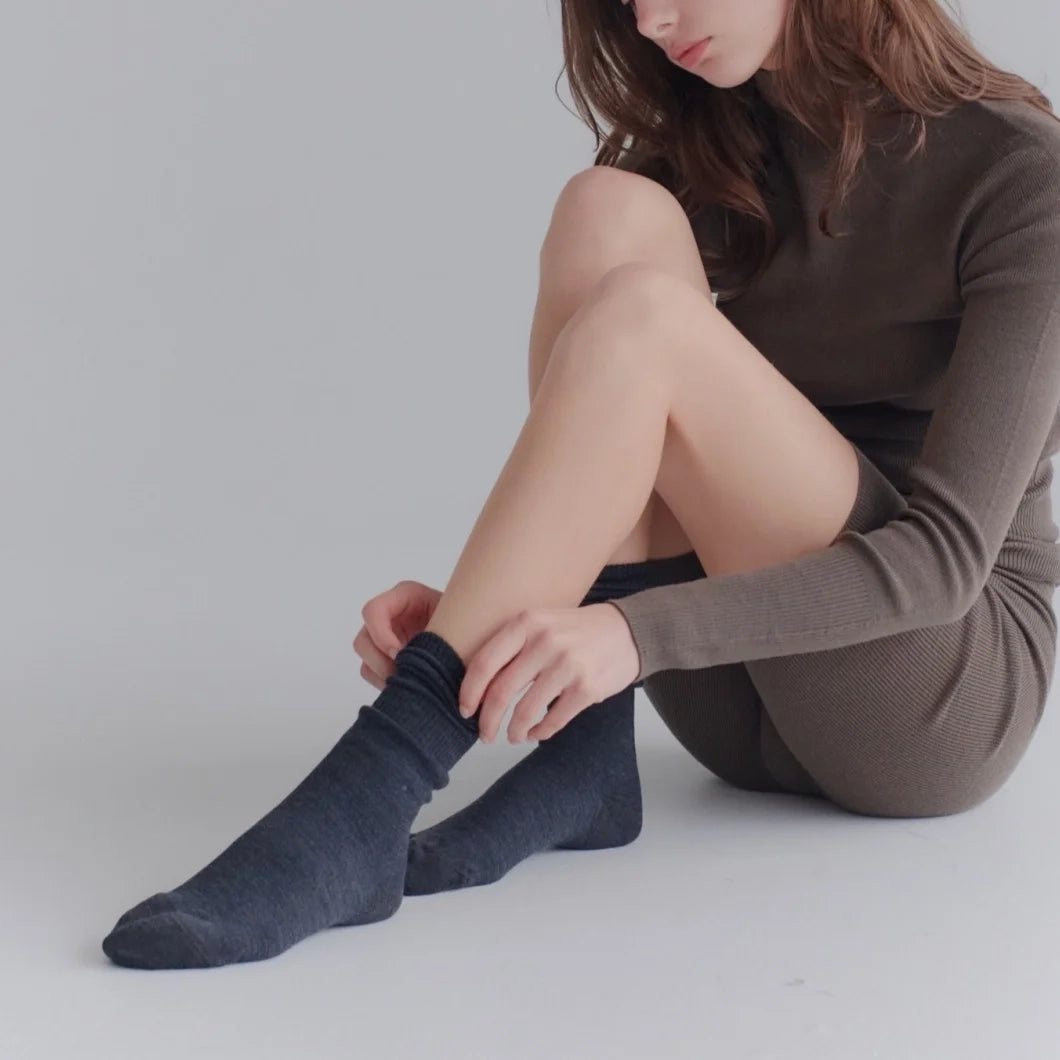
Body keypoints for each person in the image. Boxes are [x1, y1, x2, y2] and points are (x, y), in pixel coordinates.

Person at [102, 0, 1060, 970]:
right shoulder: (716, 145)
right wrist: (493, 620)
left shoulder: (1021, 173)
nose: (650, 20)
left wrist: (631, 635)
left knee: (648, 319)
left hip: (926, 701)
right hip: (733, 700)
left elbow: (945, 562)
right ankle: (584, 757)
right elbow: (613, 445)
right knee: (606, 209)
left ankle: (371, 791)